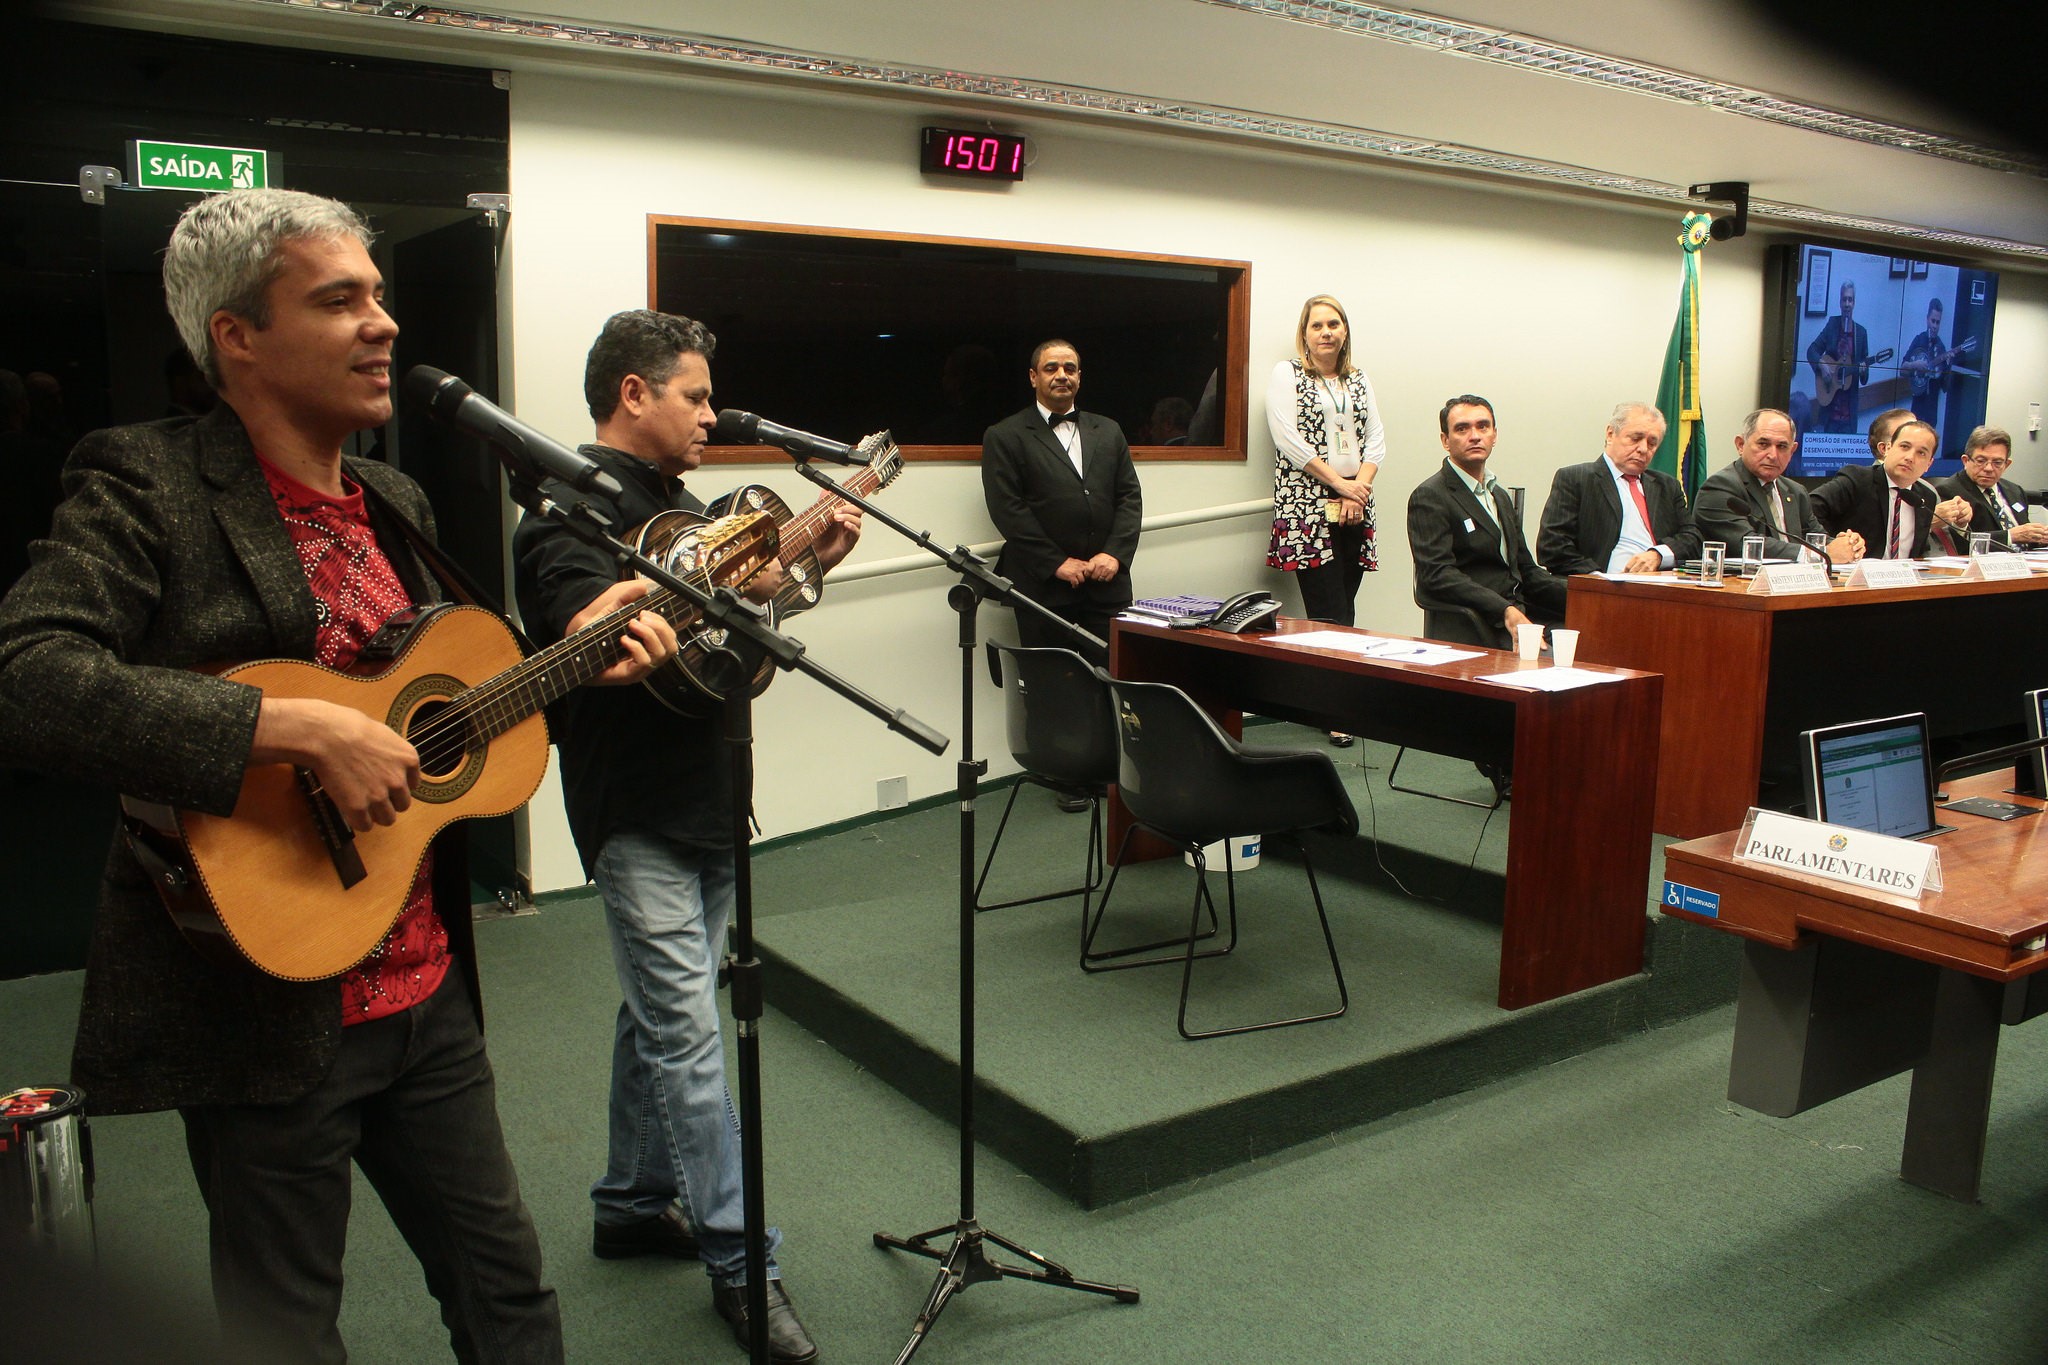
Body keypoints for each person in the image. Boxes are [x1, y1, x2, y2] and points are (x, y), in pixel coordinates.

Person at [0, 189, 675, 1363]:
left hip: (422, 992)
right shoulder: (143, 481)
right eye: (340, 299)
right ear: (237, 336)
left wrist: (576, 658)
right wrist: (292, 729)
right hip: (261, 997)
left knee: (510, 1300)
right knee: (287, 1332)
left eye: (379, 294)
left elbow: (444, 709)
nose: (385, 325)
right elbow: (30, 677)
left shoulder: (396, 502)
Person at [514, 309, 858, 1365]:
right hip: (636, 811)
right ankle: (742, 1267)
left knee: (659, 1015)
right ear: (633, 394)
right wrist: (615, 622)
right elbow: (588, 634)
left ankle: (627, 1204)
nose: (712, 415)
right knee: (691, 1044)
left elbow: (721, 637)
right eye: (696, 397)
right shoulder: (561, 520)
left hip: (712, 795)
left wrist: (810, 559)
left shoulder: (691, 510)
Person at [980, 339, 1142, 667]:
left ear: (1080, 377)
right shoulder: (1004, 435)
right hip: (1043, 590)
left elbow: (1129, 497)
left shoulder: (1109, 430)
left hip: (1106, 587)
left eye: (1070, 368)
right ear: (1033, 377)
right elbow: (1007, 508)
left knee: (1115, 684)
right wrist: (1056, 562)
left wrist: (1114, 555)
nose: (1061, 375)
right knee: (1051, 691)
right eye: (1050, 367)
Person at [1407, 394, 1565, 650]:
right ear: (1445, 441)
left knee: (1597, 637)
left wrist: (1587, 597)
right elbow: (1437, 574)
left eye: (1483, 426)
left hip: (1522, 613)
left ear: (1494, 435)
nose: (1475, 435)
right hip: (1477, 620)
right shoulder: (1431, 495)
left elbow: (1526, 570)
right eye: (1462, 428)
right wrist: (1505, 610)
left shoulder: (1499, 496)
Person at [1265, 294, 1384, 628]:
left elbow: (1376, 439)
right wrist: (1338, 483)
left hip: (1355, 503)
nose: (1326, 332)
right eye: (1316, 326)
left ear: (1345, 331)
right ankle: (1327, 676)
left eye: (1334, 324)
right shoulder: (1287, 373)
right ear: (1304, 334)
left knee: (1345, 608)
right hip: (1307, 505)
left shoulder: (1358, 378)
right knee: (1327, 612)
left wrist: (1354, 490)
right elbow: (1287, 439)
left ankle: (1347, 675)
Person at [1536, 401, 1700, 576]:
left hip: (1663, 585)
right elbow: (1552, 547)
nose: (1643, 449)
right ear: (1610, 434)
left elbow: (1693, 538)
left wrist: (1658, 555)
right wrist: (1599, 579)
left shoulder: (1667, 486)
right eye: (1635, 438)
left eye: (1652, 443)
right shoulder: (1576, 479)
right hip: (1604, 586)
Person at [1694, 408, 1863, 565]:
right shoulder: (1720, 487)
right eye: (1763, 444)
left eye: (1782, 446)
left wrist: (1847, 545)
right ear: (1740, 445)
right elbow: (1746, 543)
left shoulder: (1795, 491)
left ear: (1793, 450)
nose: (1773, 455)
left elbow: (1817, 537)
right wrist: (1820, 553)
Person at [1811, 418, 1972, 558]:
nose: (1910, 457)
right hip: (1853, 581)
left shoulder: (1926, 497)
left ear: (1929, 464)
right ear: (1888, 449)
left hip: (1902, 582)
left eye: (1921, 453)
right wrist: (1831, 545)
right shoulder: (1857, 479)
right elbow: (1808, 509)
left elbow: (1921, 550)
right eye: (1904, 446)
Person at [1935, 424, 2048, 549]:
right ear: (1966, 460)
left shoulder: (2015, 491)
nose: (1988, 468)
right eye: (1981, 461)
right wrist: (2010, 536)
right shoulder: (1948, 491)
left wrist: (2039, 537)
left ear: (2007, 464)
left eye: (1997, 463)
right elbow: (1961, 543)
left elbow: (2025, 536)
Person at [1806, 281, 1871, 435]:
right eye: (1844, 299)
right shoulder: (1832, 325)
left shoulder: (1860, 333)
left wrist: (1863, 370)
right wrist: (1822, 364)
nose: (1847, 304)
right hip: (1829, 410)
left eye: (1850, 300)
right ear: (1840, 302)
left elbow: (1864, 376)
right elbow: (1812, 351)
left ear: (1854, 303)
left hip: (1849, 415)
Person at [1900, 298, 1950, 426]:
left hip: (1931, 413)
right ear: (1927, 319)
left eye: (1937, 323)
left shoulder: (1941, 347)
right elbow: (1902, 369)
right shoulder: (1919, 340)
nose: (1934, 326)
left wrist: (1947, 365)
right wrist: (1915, 365)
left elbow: (1945, 387)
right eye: (1933, 321)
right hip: (1916, 410)